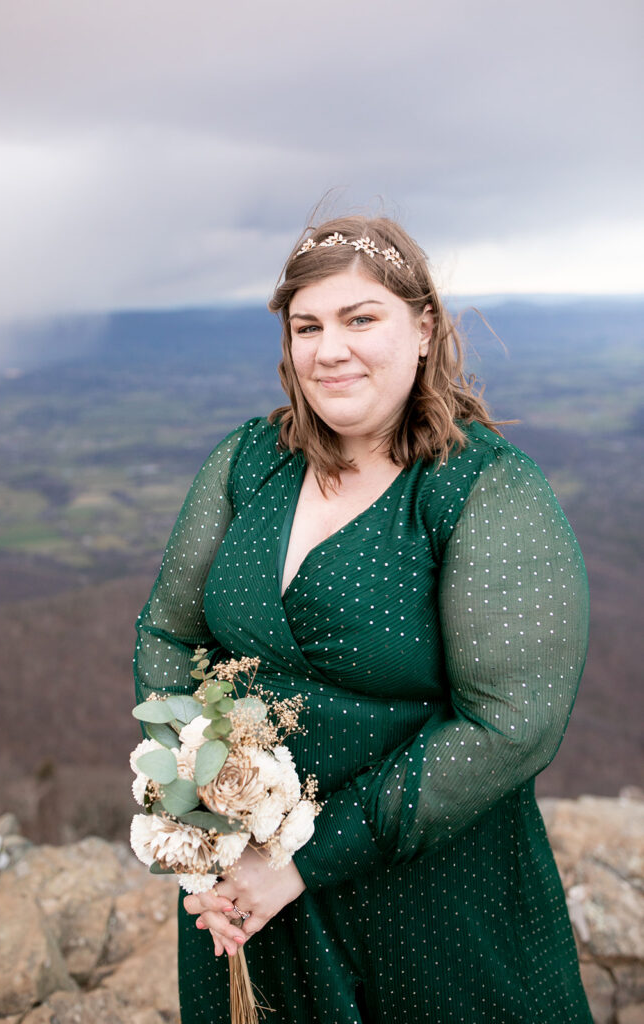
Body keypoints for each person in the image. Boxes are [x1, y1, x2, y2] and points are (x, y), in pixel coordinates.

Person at [133, 215, 592, 1023]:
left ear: (422, 329)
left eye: (359, 319)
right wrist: (197, 810)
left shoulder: (483, 489)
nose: (328, 349)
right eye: (306, 325)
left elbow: (511, 724)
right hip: (243, 888)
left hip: (429, 897)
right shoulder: (249, 461)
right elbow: (170, 631)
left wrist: (303, 859)